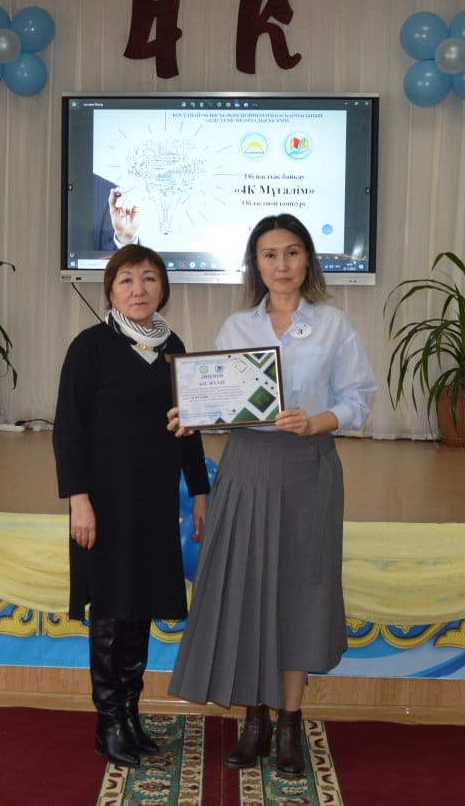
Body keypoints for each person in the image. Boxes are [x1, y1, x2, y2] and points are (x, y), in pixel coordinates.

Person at [167, 213, 376, 776]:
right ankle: (253, 721)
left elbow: (358, 400)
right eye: (269, 254)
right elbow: (220, 400)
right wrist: (191, 415)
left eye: (291, 252)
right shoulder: (237, 327)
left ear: (308, 259)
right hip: (246, 468)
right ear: (255, 265)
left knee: (298, 594)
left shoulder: (334, 324)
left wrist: (316, 421)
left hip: (308, 470)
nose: (281, 265)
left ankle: (289, 724)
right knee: (248, 591)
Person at [54, 244, 209, 768]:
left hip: (154, 498)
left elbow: (188, 426)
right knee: (111, 606)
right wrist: (79, 501)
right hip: (103, 502)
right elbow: (68, 430)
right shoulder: (90, 347)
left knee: (139, 605)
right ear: (111, 290)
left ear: (163, 287)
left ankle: (129, 715)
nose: (139, 289)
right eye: (126, 280)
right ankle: (109, 721)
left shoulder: (173, 347)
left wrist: (200, 491)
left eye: (148, 278)